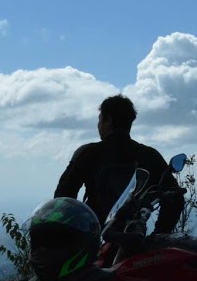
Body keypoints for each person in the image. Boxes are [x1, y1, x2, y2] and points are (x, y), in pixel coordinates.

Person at [54, 94, 184, 234]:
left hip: (95, 235)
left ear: (108, 121)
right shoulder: (149, 155)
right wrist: (159, 233)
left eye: (100, 119)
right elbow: (176, 197)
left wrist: (71, 232)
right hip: (133, 237)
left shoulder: (89, 153)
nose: (98, 125)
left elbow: (63, 198)